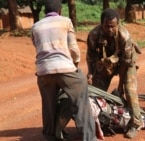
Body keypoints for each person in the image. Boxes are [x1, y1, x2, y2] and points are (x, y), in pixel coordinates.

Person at [31, 0, 96, 140]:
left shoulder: (35, 26)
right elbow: (73, 49)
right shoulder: (66, 22)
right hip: (65, 67)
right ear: (60, 10)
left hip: (43, 71)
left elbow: (37, 46)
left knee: (48, 106)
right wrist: (75, 65)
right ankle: (89, 137)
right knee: (81, 99)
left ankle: (50, 137)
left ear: (45, 12)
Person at [86, 8, 143, 139]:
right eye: (107, 26)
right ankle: (98, 121)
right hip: (106, 64)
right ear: (102, 24)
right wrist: (90, 73)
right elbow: (91, 57)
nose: (110, 29)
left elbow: (125, 63)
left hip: (125, 63)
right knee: (95, 92)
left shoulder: (125, 36)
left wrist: (120, 86)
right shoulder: (94, 35)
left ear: (118, 25)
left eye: (113, 26)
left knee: (129, 89)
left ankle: (135, 123)